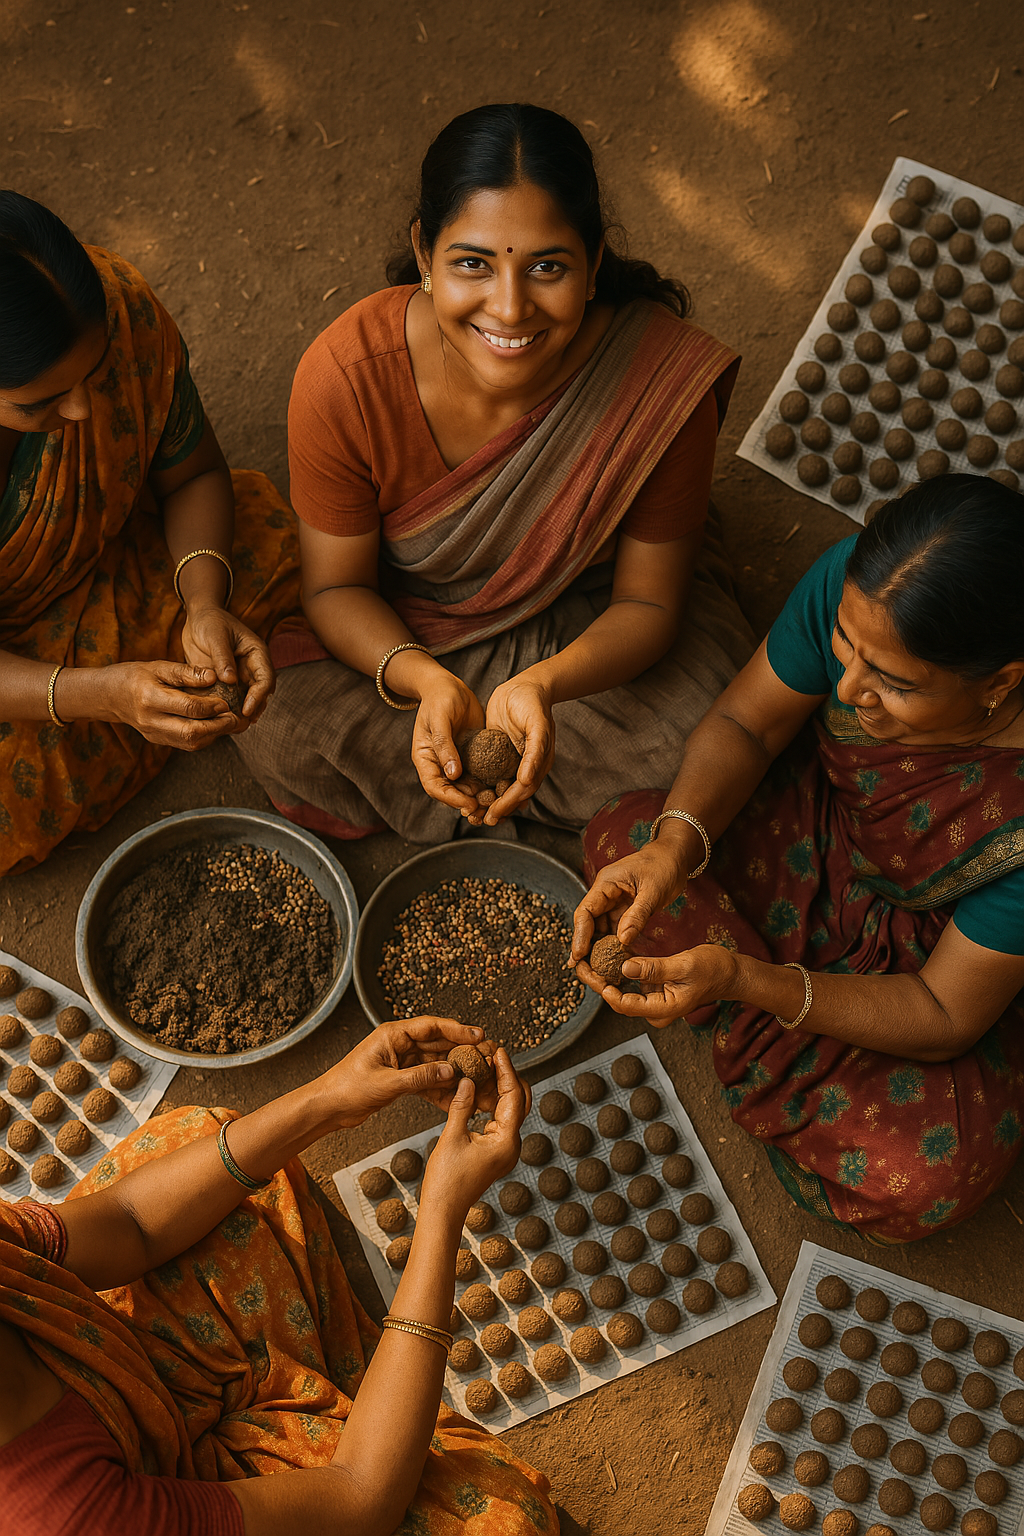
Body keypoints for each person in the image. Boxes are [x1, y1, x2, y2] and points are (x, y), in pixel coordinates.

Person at [235, 102, 754, 843]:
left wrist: (543, 685)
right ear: (424, 251)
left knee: (699, 730)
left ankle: (470, 786)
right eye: (473, 264)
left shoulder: (657, 385)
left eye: (547, 267)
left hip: (588, 626)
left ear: (595, 260)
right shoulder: (346, 378)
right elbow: (336, 587)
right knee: (274, 719)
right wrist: (424, 681)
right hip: (412, 625)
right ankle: (529, 787)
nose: (510, 310)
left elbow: (648, 608)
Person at [572, 475, 1024, 1245]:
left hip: (938, 959)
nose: (849, 687)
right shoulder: (864, 592)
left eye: (894, 684)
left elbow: (944, 1013)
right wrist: (674, 849)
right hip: (814, 829)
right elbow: (747, 725)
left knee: (930, 1180)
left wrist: (749, 980)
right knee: (628, 840)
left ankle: (737, 1003)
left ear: (1001, 685)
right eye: (847, 648)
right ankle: (764, 1023)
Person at [0, 1018, 558, 1535]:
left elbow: (134, 1223)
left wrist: (329, 1099)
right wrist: (441, 1209)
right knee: (499, 1520)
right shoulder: (71, 1516)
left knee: (208, 1145)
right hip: (160, 1503)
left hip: (130, 1390)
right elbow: (360, 1496)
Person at [0, 192, 301, 876]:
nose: (81, 409)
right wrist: (100, 694)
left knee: (272, 540)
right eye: (40, 401)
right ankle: (133, 713)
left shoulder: (118, 306)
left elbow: (194, 476)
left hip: (114, 559)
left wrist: (203, 604)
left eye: (93, 373)